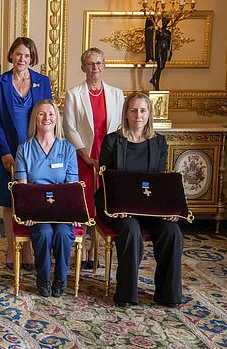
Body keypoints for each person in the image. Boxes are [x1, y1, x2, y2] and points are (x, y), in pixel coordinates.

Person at [95, 92, 183, 307]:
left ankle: (167, 295)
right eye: (133, 110)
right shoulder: (112, 141)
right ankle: (126, 294)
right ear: (126, 114)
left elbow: (160, 182)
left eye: (143, 110)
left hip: (149, 208)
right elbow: (105, 180)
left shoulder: (159, 142)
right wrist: (117, 206)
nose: (138, 115)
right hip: (116, 207)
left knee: (173, 232)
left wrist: (169, 209)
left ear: (149, 114)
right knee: (131, 230)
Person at [0, 37, 53, 271]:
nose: (22, 59)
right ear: (11, 56)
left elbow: (48, 114)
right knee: (9, 200)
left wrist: (44, 149)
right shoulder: (0, 82)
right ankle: (12, 247)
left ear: (32, 58)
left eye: (27, 56)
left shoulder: (42, 82)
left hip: (37, 151)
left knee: (33, 197)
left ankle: (31, 248)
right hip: (9, 150)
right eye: (18, 54)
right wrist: (5, 152)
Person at [63, 48, 124, 269]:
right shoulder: (74, 94)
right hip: (83, 157)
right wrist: (85, 155)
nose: (95, 68)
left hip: (108, 157)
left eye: (98, 63)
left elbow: (119, 128)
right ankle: (81, 248)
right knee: (85, 202)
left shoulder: (117, 94)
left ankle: (95, 251)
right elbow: (69, 128)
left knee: (104, 203)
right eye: (90, 64)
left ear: (104, 66)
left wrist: (108, 157)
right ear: (83, 68)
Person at [13, 99, 80, 297]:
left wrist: (73, 213)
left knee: (62, 234)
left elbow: (71, 187)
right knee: (43, 234)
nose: (46, 118)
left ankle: (60, 279)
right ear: (35, 118)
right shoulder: (24, 149)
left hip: (61, 212)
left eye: (51, 114)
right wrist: (27, 212)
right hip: (37, 212)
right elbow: (22, 187)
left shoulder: (67, 149)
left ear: (56, 119)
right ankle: (43, 278)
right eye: (41, 114)